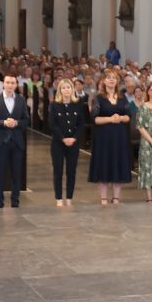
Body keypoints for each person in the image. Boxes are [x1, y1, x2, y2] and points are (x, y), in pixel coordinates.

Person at [89, 68, 134, 205]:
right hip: (103, 136)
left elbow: (128, 116)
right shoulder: (99, 98)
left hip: (119, 136)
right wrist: (110, 119)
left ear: (117, 81)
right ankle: (103, 198)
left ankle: (116, 198)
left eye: (114, 78)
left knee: (117, 164)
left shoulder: (122, 97)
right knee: (104, 164)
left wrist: (120, 117)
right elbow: (94, 119)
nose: (111, 80)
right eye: (108, 78)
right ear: (103, 81)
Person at [0, 74, 30, 208]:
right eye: (8, 82)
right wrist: (3, 123)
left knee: (17, 174)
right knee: (0, 173)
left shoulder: (21, 100)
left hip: (17, 142)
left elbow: (27, 120)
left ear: (16, 85)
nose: (10, 85)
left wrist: (17, 123)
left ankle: (15, 201)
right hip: (1, 142)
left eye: (13, 83)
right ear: (3, 84)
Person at [49, 78, 86, 207]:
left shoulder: (78, 104)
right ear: (60, 90)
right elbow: (53, 125)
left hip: (73, 143)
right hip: (58, 143)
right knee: (58, 171)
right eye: (64, 87)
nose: (66, 90)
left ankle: (69, 198)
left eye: (69, 87)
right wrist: (63, 138)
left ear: (72, 89)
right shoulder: (54, 105)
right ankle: (58, 198)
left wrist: (74, 138)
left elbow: (81, 123)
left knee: (71, 171)